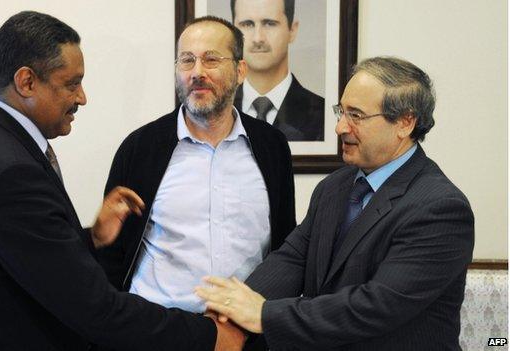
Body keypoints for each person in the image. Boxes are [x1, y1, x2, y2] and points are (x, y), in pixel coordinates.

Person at [0, 11, 244, 351]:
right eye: (71, 84)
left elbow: (30, 257)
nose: (82, 97)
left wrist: (90, 239)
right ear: (26, 82)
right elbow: (97, 309)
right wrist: (209, 337)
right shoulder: (11, 172)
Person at [197, 56, 475, 350]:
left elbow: (377, 306)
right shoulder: (335, 186)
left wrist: (264, 315)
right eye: (341, 112)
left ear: (405, 123)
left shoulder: (440, 208)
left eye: (356, 115)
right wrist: (229, 312)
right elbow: (293, 259)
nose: (340, 127)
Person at [98, 14, 295, 326]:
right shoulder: (140, 148)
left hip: (244, 333)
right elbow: (111, 250)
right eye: (187, 60)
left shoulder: (272, 147)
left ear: (240, 70)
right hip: (157, 330)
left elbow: (286, 247)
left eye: (211, 59)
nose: (197, 73)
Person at [231, 0, 324, 141]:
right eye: (247, 24)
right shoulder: (217, 111)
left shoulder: (322, 115)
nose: (258, 38)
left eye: (269, 23)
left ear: (292, 30)